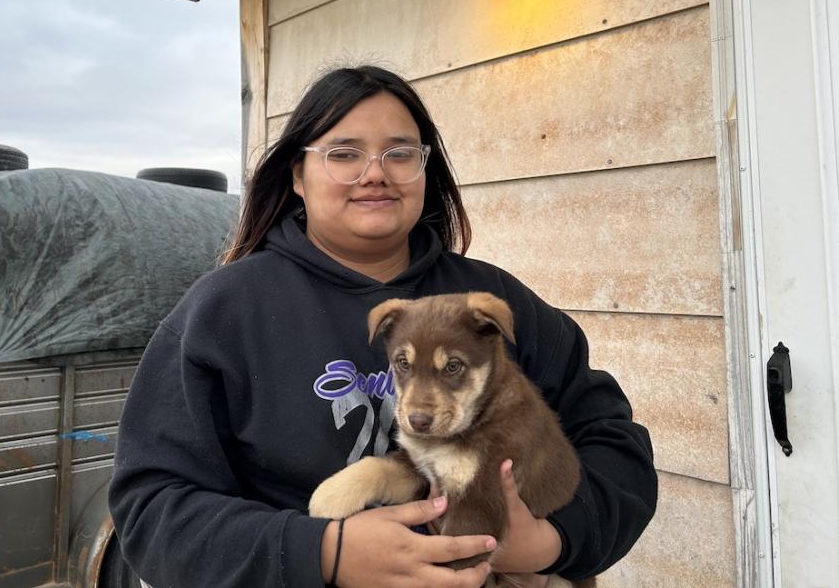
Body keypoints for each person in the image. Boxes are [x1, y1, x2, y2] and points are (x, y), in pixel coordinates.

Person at [109, 65, 657, 587]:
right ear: (297, 175)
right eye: (344, 153)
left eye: (400, 152)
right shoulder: (225, 310)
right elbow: (153, 509)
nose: (375, 172)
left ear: (425, 170)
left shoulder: (491, 307)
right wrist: (323, 553)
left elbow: (612, 441)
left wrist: (553, 540)